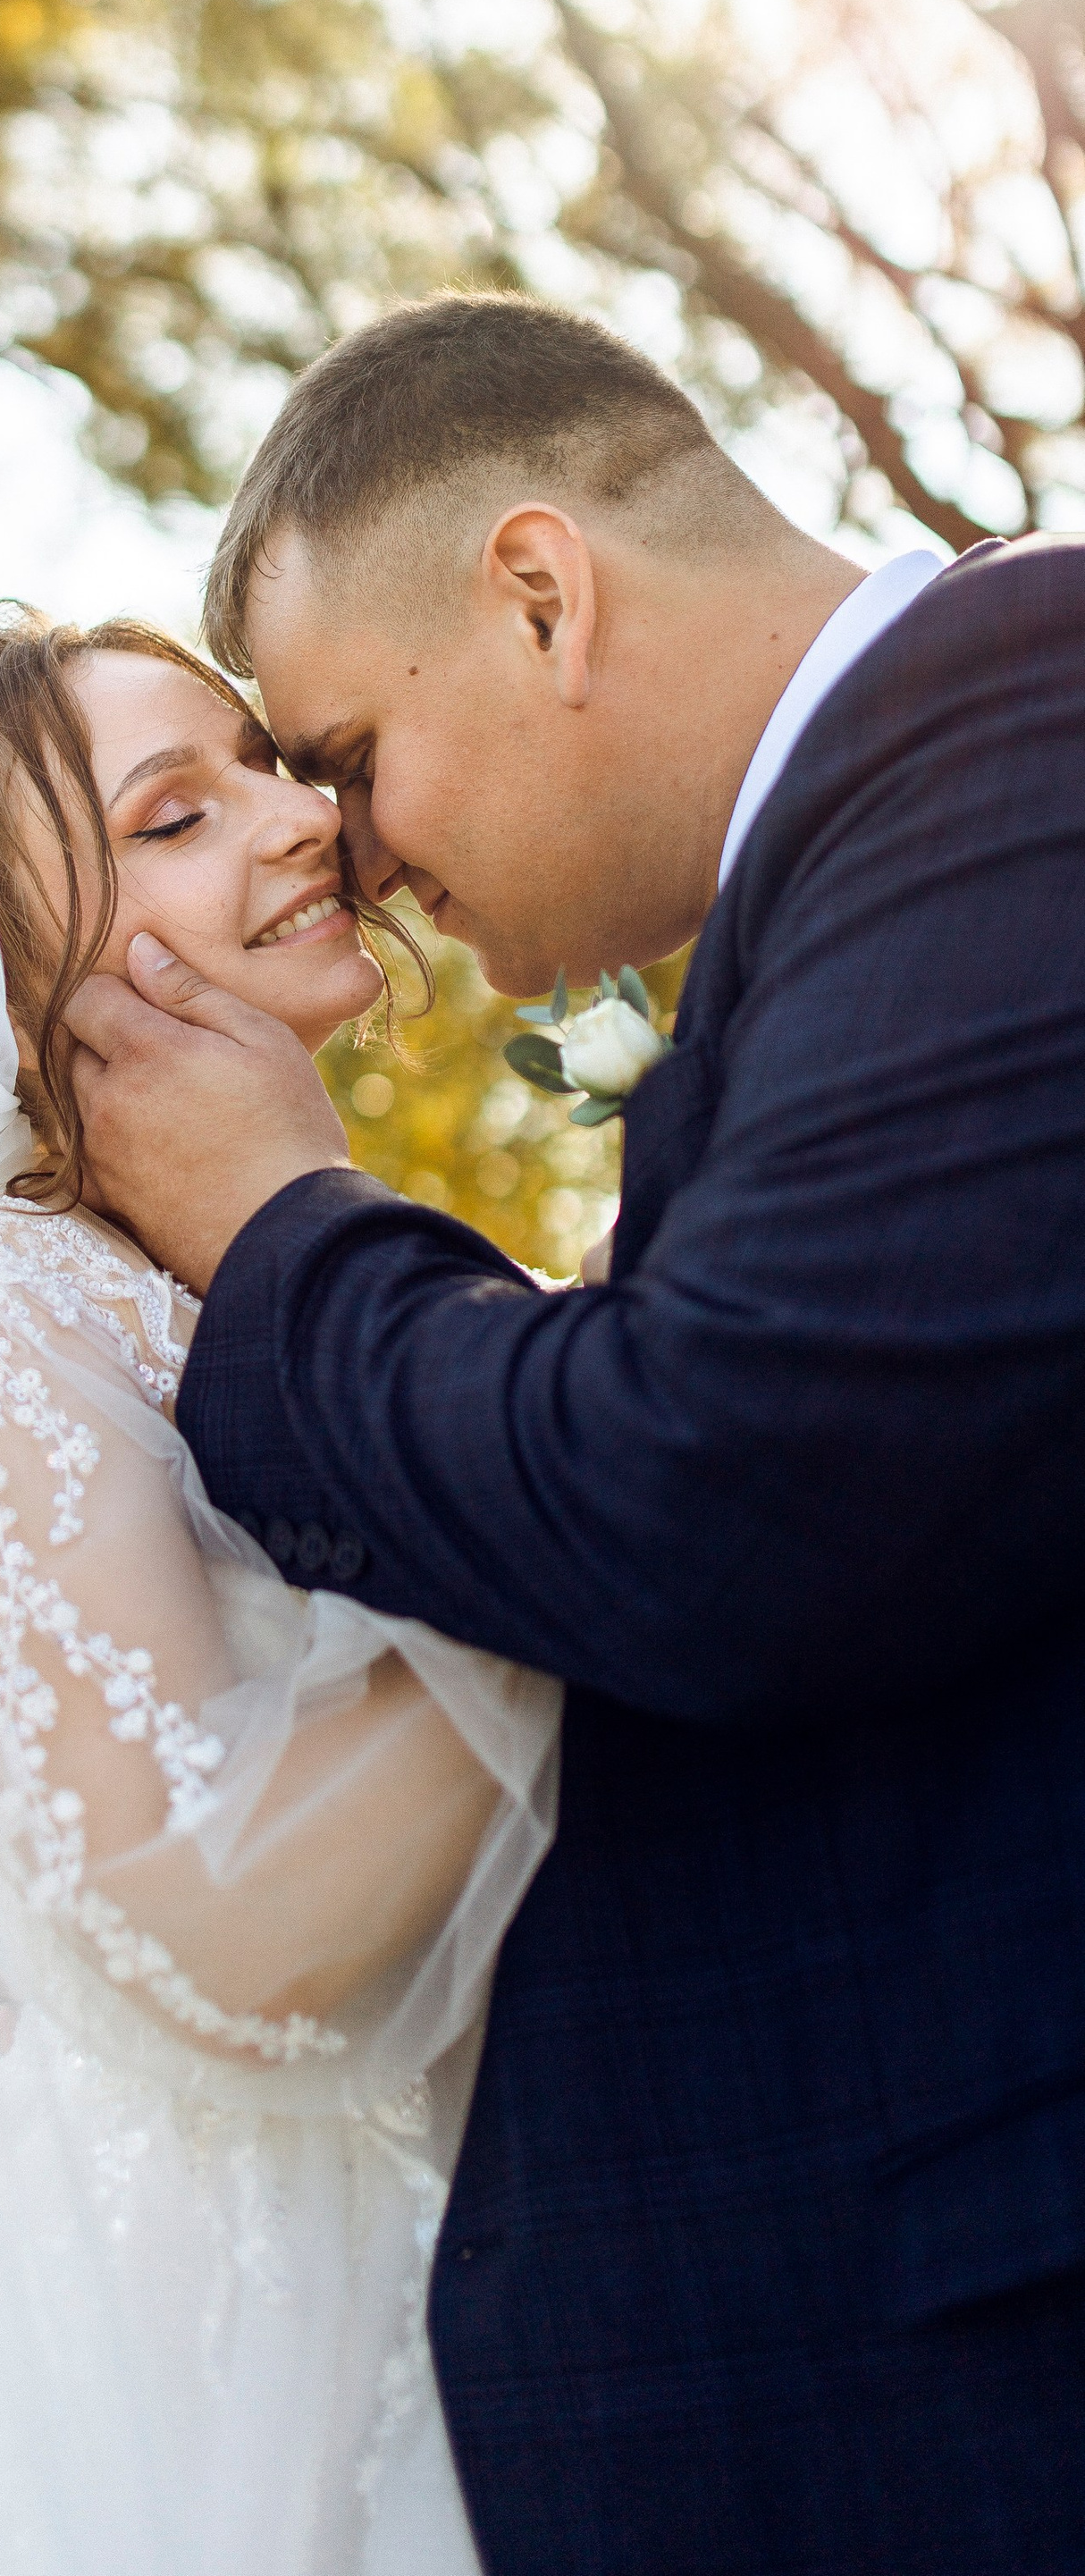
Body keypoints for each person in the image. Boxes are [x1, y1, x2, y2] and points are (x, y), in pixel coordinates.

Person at [60, 293, 1085, 2576]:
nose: (345, 850)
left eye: (334, 752)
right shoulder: (878, 847)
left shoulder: (1022, 722)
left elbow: (721, 1489)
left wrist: (275, 1222)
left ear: (538, 593)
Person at [0, 610, 557, 2576]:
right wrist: (587, 1504)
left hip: (459, 2249)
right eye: (173, 812)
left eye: (257, 762)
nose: (289, 818)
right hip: (198, 2354)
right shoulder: (0, 1303)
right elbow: (196, 1935)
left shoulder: (254, 1273)